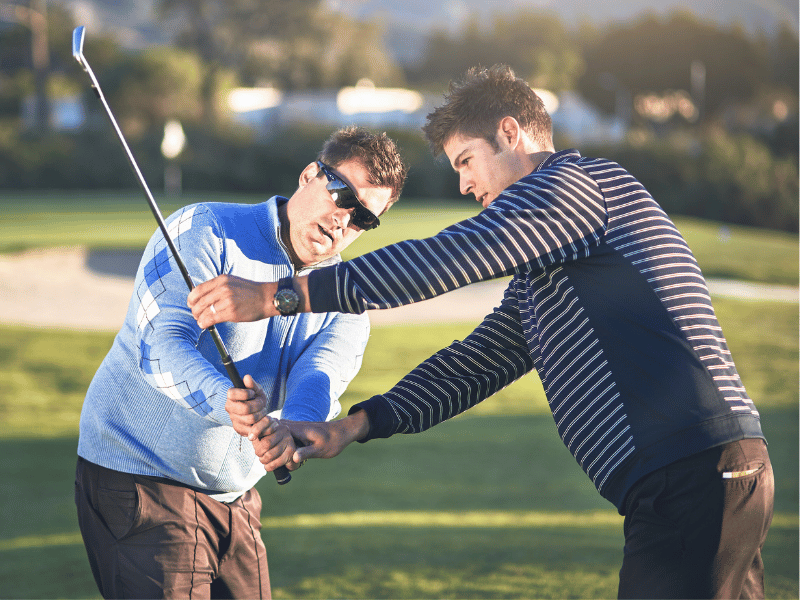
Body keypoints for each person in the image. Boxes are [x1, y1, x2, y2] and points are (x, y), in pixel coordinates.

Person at [188, 66, 774, 599]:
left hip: (691, 471)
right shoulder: (554, 261)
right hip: (698, 477)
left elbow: (449, 257)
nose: (466, 187)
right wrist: (352, 426)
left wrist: (276, 296)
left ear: (512, 132)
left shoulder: (574, 187)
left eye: (467, 160)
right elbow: (477, 363)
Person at [74, 125, 407, 599]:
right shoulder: (204, 228)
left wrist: (295, 428)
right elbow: (160, 346)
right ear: (309, 175)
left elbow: (322, 376)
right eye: (340, 194)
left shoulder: (346, 296)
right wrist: (225, 402)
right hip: (140, 478)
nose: (342, 220)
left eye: (362, 220)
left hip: (235, 495)